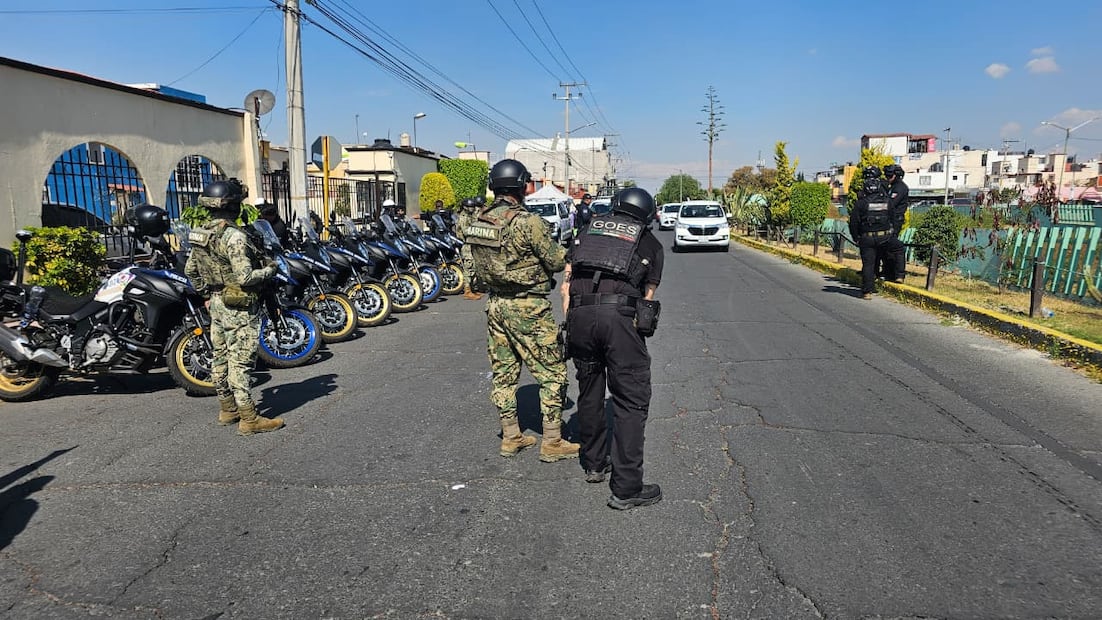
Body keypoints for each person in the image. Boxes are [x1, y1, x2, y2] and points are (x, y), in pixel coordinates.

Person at [464, 159, 579, 463]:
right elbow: (555, 261)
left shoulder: (478, 222)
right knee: (553, 373)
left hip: (497, 307)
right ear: (520, 186)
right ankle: (552, 441)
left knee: (504, 372)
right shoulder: (529, 222)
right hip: (529, 307)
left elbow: (474, 267)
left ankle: (511, 436)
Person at [560, 187, 665, 510]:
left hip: (578, 314)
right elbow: (647, 297)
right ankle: (627, 487)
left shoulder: (586, 230)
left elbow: (566, 283)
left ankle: (594, 463)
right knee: (631, 400)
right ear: (646, 216)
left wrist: (571, 323)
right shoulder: (649, 242)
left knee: (590, 389)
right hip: (619, 319)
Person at [184, 179, 284, 435]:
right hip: (239, 306)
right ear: (233, 206)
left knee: (220, 357)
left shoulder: (200, 233)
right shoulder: (234, 236)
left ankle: (228, 409)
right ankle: (249, 418)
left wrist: (207, 294)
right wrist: (270, 269)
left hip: (217, 303)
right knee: (240, 361)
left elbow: (190, 271)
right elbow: (246, 278)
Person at [848, 166, 895, 300]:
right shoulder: (887, 201)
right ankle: (892, 277)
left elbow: (854, 223)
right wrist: (891, 232)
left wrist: (856, 237)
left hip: (867, 238)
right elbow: (893, 217)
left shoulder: (861, 203)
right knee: (886, 257)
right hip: (884, 237)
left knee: (868, 264)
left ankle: (867, 291)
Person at [882, 164, 910, 283]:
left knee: (893, 247)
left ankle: (897, 274)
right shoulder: (892, 187)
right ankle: (887, 272)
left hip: (895, 220)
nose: (888, 178)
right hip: (888, 219)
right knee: (885, 247)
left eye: (890, 175)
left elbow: (891, 203)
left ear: (897, 175)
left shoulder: (900, 188)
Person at [454, 196, 485, 300]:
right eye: (470, 207)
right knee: (469, 267)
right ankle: (467, 290)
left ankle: (473, 288)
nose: (472, 208)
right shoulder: (463, 217)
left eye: (473, 206)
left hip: (473, 244)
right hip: (467, 245)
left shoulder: (471, 215)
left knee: (475, 267)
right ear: (465, 207)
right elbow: (467, 231)